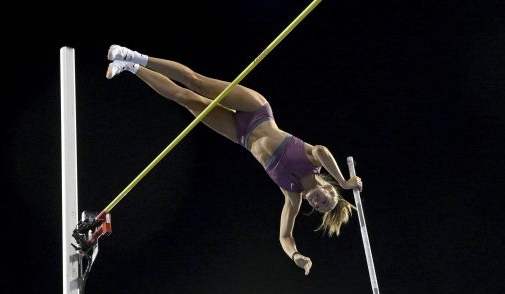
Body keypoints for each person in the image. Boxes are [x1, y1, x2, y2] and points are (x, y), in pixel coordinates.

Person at [106, 44, 362, 274]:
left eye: (318, 207)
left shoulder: (291, 195)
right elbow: (322, 150)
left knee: (186, 99)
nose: (318, 202)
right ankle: (133, 54)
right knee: (197, 83)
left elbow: (285, 236)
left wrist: (296, 256)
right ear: (328, 187)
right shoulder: (313, 161)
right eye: (326, 199)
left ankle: (130, 67)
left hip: (240, 134)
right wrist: (345, 180)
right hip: (257, 112)